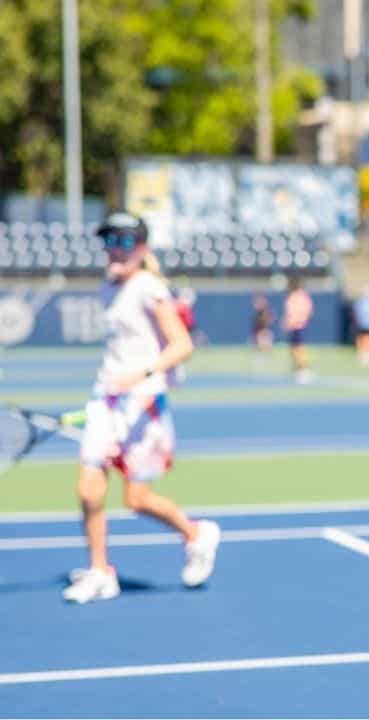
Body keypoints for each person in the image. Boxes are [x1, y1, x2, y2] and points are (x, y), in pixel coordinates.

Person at [63, 212, 221, 604]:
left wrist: (141, 374)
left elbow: (182, 345)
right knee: (89, 490)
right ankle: (100, 571)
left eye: (124, 242)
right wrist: (107, 391)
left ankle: (196, 534)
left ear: (141, 248)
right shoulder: (108, 288)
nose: (115, 250)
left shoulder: (149, 287)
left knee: (136, 499)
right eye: (109, 241)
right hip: (106, 400)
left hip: (142, 404)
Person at [282, 276, 314, 383]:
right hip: (293, 326)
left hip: (299, 326)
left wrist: (296, 320)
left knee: (298, 349)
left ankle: (304, 369)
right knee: (293, 349)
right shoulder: (291, 296)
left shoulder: (301, 296)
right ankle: (297, 368)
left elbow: (307, 310)